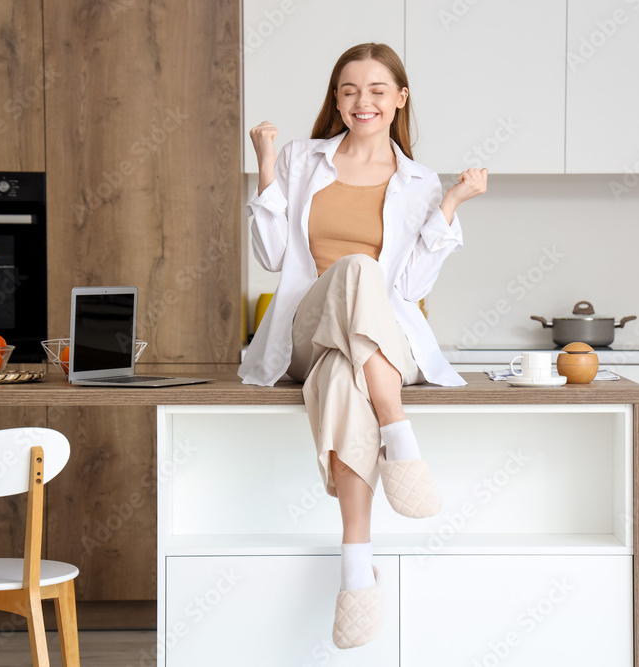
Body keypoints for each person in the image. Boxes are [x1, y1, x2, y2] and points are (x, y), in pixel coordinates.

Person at [240, 42, 488, 649]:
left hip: (375, 341)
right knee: (355, 270)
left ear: (399, 99)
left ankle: (356, 566)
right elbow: (273, 257)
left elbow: (409, 288)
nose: (362, 102)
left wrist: (451, 204)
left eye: (377, 90)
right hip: (305, 324)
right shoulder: (301, 158)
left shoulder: (420, 182)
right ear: (336, 100)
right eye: (349, 90)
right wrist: (266, 161)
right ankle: (398, 432)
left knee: (343, 373)